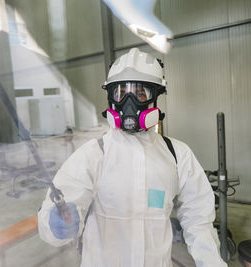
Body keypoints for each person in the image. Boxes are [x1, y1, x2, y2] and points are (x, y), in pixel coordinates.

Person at [37, 48, 227, 267]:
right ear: (111, 99)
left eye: (140, 93)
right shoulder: (93, 155)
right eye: (121, 93)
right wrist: (57, 223)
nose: (129, 102)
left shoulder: (177, 155)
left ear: (155, 97)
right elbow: (58, 215)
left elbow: (199, 220)